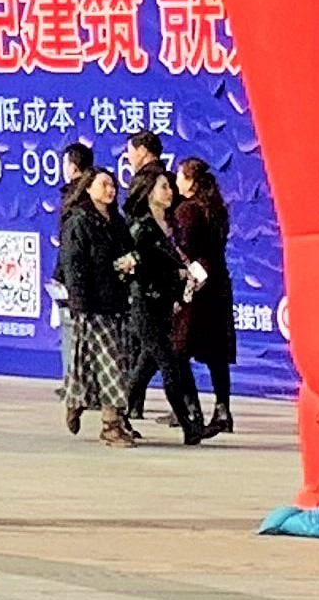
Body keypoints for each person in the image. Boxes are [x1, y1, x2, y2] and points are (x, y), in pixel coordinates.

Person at [57, 165, 148, 445]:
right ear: (88, 188)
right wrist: (80, 304)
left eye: (112, 185)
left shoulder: (117, 221)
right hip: (92, 305)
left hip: (116, 302)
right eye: (104, 185)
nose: (110, 190)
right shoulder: (79, 221)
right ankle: (110, 426)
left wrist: (130, 264)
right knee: (111, 365)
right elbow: (73, 265)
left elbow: (129, 253)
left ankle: (75, 400)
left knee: (99, 364)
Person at [167, 157, 239, 442]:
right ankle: (222, 409)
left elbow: (183, 247)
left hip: (195, 286)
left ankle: (191, 409)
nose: (175, 182)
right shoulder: (216, 208)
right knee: (216, 353)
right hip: (217, 283)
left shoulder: (187, 210)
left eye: (179, 176)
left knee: (179, 349)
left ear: (191, 181)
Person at [119, 161, 189, 443]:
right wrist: (174, 273)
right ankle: (190, 425)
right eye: (163, 187)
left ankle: (119, 417)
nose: (169, 192)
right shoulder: (141, 228)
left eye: (170, 187)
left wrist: (183, 281)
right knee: (169, 364)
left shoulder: (170, 226)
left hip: (164, 305)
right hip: (144, 305)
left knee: (144, 367)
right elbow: (132, 266)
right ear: (149, 193)